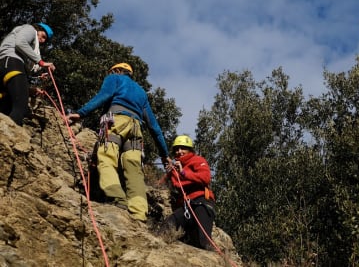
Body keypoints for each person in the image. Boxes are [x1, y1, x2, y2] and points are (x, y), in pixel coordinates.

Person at [66, 62, 172, 222]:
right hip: (136, 129)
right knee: (134, 169)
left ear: (116, 70)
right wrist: (164, 154)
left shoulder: (114, 78)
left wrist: (81, 113)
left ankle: (118, 198)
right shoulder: (141, 92)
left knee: (107, 158)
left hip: (115, 121)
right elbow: (154, 126)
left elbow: (104, 96)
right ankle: (139, 212)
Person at [161, 134, 216, 250]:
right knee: (168, 225)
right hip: (187, 206)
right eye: (176, 149)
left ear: (190, 150)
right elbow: (161, 184)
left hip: (202, 202)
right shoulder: (175, 168)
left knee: (203, 241)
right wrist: (169, 172)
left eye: (183, 148)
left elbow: (205, 177)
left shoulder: (197, 160)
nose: (179, 151)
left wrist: (184, 173)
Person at [0, 23, 56, 125]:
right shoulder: (30, 29)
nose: (43, 40)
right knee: (21, 105)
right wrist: (41, 62)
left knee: (6, 107)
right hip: (12, 61)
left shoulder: (24, 39)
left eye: (45, 40)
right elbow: (20, 43)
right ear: (38, 29)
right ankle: (11, 137)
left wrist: (39, 75)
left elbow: (27, 65)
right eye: (43, 36)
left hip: (6, 65)